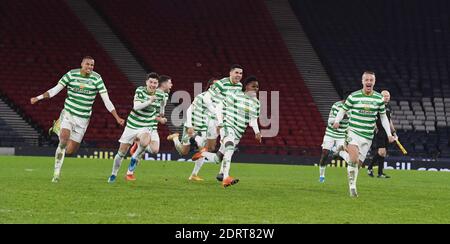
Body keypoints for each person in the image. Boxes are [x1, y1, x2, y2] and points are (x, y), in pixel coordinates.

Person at [30, 56, 125, 182]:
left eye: (92, 65)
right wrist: (38, 97)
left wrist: (117, 117)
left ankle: (57, 128)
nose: (90, 67)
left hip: (83, 119)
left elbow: (106, 100)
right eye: (87, 64)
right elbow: (55, 90)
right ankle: (56, 174)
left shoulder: (97, 79)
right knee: (63, 140)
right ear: (81, 64)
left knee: (70, 150)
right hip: (69, 114)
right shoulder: (71, 75)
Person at [333, 71, 395, 197]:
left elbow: (383, 118)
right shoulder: (354, 96)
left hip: (368, 136)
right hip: (353, 132)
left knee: (358, 164)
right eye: (366, 80)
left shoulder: (378, 98)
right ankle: (352, 187)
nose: (368, 82)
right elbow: (343, 110)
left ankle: (342, 152)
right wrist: (337, 121)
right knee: (354, 159)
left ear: (374, 82)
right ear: (362, 81)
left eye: (371, 80)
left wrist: (389, 134)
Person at [196, 76, 262, 187]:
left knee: (218, 158)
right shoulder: (235, 95)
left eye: (257, 87)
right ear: (246, 86)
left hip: (238, 132)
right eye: (253, 86)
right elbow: (219, 107)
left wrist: (257, 132)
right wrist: (221, 123)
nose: (256, 88)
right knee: (230, 148)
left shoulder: (257, 103)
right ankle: (225, 177)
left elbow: (253, 119)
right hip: (228, 126)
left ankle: (202, 153)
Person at [107, 72, 160, 183]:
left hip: (146, 126)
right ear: (146, 82)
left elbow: (158, 111)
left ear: (157, 84)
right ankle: (113, 174)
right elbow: (136, 107)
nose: (153, 84)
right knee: (121, 153)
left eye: (155, 83)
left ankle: (134, 158)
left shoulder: (160, 95)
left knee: (145, 143)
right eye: (151, 82)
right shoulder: (140, 90)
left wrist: (161, 117)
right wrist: (149, 101)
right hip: (132, 125)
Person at [166, 78, 219, 181]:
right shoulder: (202, 96)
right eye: (215, 85)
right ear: (210, 86)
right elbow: (190, 110)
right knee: (184, 152)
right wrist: (189, 126)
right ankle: (175, 138)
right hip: (192, 125)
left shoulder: (219, 100)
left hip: (203, 127)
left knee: (203, 149)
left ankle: (194, 174)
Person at [124, 75, 172, 181]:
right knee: (141, 150)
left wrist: (162, 114)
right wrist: (159, 119)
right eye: (170, 83)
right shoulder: (150, 93)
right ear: (163, 84)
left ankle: (138, 144)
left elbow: (161, 112)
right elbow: (146, 112)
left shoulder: (164, 96)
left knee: (155, 150)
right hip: (145, 125)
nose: (171, 85)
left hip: (153, 127)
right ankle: (129, 173)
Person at [318, 97, 349, 183]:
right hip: (330, 134)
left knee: (345, 153)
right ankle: (322, 175)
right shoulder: (336, 105)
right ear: (343, 100)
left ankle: (351, 174)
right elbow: (329, 121)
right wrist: (339, 119)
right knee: (325, 154)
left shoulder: (353, 107)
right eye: (346, 101)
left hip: (342, 135)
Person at [367, 90, 397, 178]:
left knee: (383, 153)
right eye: (385, 96)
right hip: (380, 131)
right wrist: (375, 127)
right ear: (381, 97)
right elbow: (373, 117)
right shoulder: (377, 105)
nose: (387, 97)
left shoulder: (389, 107)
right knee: (381, 151)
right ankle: (369, 167)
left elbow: (389, 120)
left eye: (388, 96)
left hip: (387, 132)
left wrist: (393, 131)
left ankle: (380, 173)